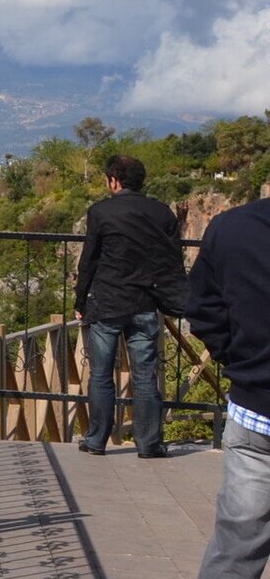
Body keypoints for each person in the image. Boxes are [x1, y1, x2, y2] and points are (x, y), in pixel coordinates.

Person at [176, 192, 270, 579]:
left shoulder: (233, 229)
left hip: (259, 421)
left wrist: (241, 363)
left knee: (234, 551)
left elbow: (203, 311)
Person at [73, 154, 186, 456]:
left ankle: (96, 440)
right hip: (146, 302)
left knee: (100, 374)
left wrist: (80, 299)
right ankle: (149, 443)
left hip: (108, 302)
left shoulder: (101, 212)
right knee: (145, 377)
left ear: (114, 180)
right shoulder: (162, 213)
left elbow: (89, 261)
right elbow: (173, 260)